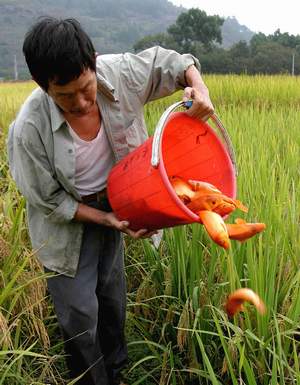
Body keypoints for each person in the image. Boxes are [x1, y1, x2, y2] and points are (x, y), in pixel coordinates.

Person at [7, 17, 214, 385]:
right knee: (79, 314)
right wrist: (104, 220)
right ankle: (91, 378)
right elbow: (48, 200)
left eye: (86, 88)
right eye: (65, 96)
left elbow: (173, 62)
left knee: (112, 298)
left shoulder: (118, 73)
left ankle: (116, 372)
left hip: (119, 200)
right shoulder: (28, 128)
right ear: (43, 87)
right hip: (66, 222)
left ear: (94, 63)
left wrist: (199, 87)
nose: (81, 102)